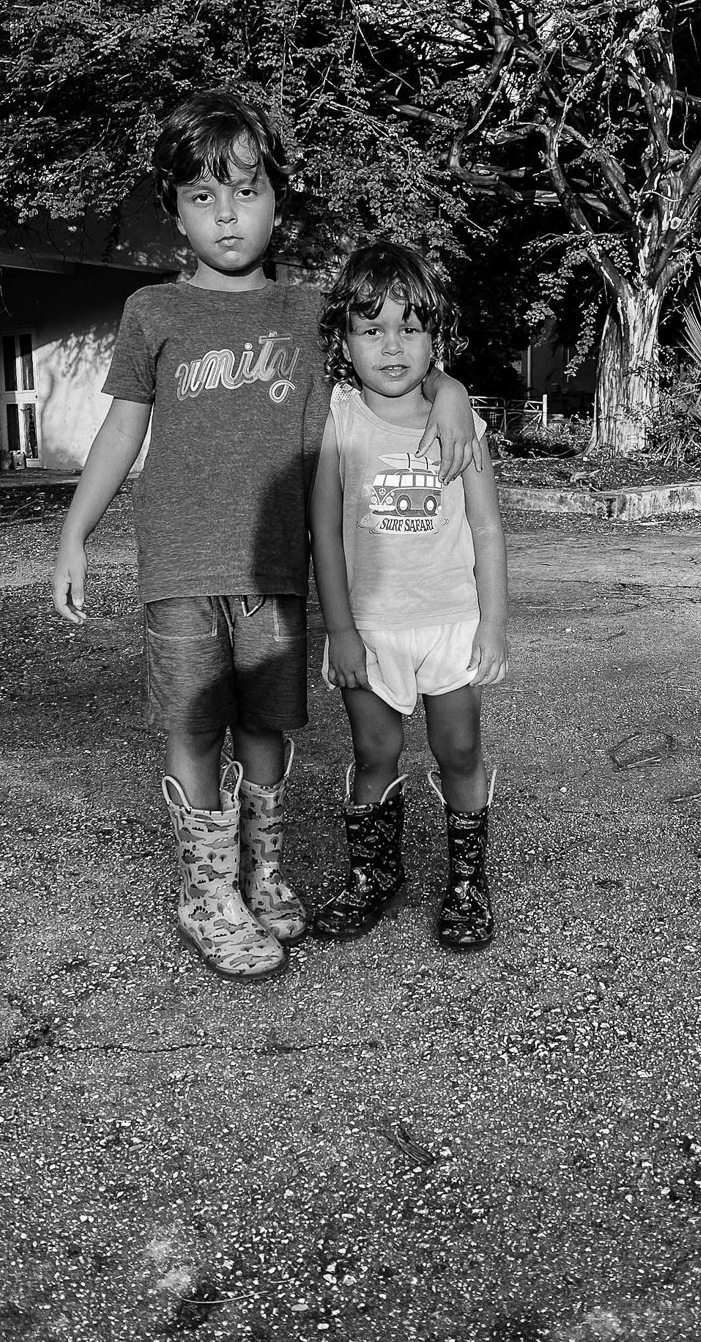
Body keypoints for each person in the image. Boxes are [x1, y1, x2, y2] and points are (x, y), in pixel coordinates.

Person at [50, 89, 477, 982]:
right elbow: (122, 430)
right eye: (202, 197)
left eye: (245, 193)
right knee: (194, 722)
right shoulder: (152, 312)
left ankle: (262, 873)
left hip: (277, 568)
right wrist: (75, 533)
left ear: (277, 200)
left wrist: (452, 392)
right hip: (179, 563)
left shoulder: (308, 313)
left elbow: (393, 361)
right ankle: (206, 896)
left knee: (265, 727)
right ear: (173, 209)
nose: (226, 215)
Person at [309, 241, 509, 951]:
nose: (391, 346)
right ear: (344, 341)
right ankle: (374, 876)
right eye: (372, 329)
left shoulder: (461, 423)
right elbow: (324, 534)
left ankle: (467, 885)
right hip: (369, 628)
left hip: (451, 624)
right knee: (375, 752)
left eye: (410, 328)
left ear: (434, 338)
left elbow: (486, 528)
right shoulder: (337, 419)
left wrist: (493, 624)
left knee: (460, 749)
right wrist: (340, 631)